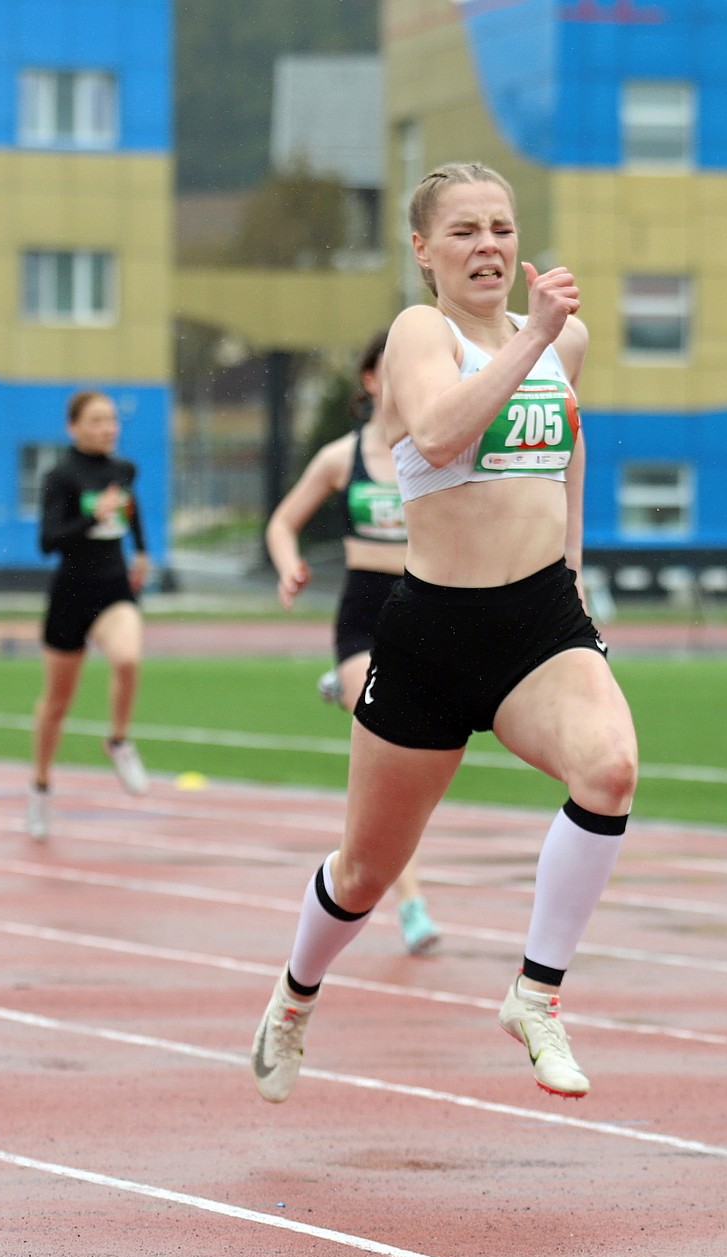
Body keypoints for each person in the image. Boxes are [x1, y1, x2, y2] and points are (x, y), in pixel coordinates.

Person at [249, 162, 638, 1103]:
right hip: (431, 630)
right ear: (422, 250)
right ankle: (296, 994)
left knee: (612, 767)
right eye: (463, 231)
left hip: (539, 619)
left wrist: (578, 567)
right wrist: (534, 336)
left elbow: (571, 440)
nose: (489, 247)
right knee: (367, 868)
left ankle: (535, 995)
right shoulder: (421, 333)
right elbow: (434, 435)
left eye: (501, 228)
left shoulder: (562, 339)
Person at [263, 331, 440, 955]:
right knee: (389, 771)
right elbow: (283, 522)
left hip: (427, 607)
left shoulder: (437, 446)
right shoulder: (342, 457)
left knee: (420, 769)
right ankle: (413, 903)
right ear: (369, 380)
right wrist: (289, 566)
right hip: (365, 612)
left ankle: (348, 685)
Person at [26, 390, 152, 838]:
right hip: (70, 596)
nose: (108, 428)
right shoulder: (61, 475)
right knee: (57, 703)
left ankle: (118, 740)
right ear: (73, 427)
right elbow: (48, 541)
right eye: (97, 420)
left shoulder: (123, 470)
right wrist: (91, 518)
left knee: (128, 659)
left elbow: (131, 510)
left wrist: (141, 551)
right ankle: (40, 787)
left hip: (114, 588)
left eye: (112, 420)